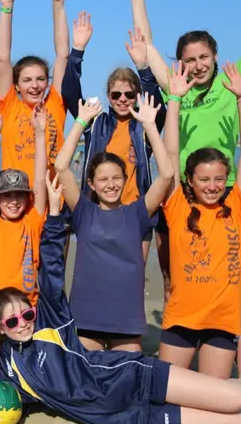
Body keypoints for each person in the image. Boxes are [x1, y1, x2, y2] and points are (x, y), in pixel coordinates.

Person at [0, 174, 241, 424]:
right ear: (0, 327)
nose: (22, 323)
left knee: (234, 399)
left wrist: (56, 214)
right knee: (235, 423)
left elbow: (51, 270)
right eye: (12, 321)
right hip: (124, 418)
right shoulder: (10, 372)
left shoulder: (50, 326)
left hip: (135, 376)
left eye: (26, 314)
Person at [131, 0, 241, 376]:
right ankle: (186, 354)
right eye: (188, 59)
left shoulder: (232, 82)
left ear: (215, 57)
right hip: (178, 199)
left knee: (231, 291)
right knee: (176, 282)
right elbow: (146, 43)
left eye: (203, 58)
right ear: (179, 63)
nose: (196, 65)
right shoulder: (174, 87)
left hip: (225, 200)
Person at [53, 93, 173, 352]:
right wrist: (81, 122)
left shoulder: (138, 213)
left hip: (126, 321)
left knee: (127, 386)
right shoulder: (84, 211)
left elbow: (166, 175)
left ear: (124, 179)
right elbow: (61, 166)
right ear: (91, 184)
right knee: (87, 385)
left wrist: (150, 126)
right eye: (103, 180)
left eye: (116, 178)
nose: (110, 185)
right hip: (87, 318)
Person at [158, 62, 241, 379]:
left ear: (226, 179)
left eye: (218, 179)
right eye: (204, 180)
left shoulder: (237, 205)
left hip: (222, 322)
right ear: (190, 180)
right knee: (164, 399)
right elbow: (171, 155)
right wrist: (173, 101)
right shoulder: (177, 207)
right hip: (181, 319)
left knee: (217, 400)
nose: (212, 186)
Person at [61, 20, 165, 262]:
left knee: (133, 280)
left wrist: (143, 68)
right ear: (108, 95)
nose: (122, 99)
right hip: (98, 211)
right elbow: (69, 93)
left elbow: (160, 110)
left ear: (137, 95)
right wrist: (77, 51)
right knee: (98, 277)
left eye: (129, 94)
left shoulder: (144, 125)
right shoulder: (96, 122)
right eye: (116, 94)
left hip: (136, 212)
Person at [0, 102, 47, 361]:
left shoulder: (33, 220)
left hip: (24, 313)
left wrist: (40, 134)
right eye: (6, 196)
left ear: (28, 199)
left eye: (19, 195)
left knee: (22, 366)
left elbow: (39, 180)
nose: (13, 200)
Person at [0, 0, 77, 185]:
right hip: (16, 198)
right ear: (16, 85)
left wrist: (58, 4)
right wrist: (7, 7)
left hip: (53, 200)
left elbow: (62, 55)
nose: (35, 86)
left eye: (41, 79)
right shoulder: (10, 105)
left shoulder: (55, 104)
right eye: (27, 80)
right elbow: (3, 57)